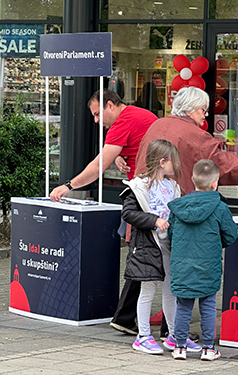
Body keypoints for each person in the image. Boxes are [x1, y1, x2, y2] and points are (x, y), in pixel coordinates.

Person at [114, 86, 238, 337]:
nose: (205, 116)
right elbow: (221, 164)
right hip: (175, 211)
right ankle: (172, 333)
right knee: (174, 275)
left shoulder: (157, 126)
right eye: (203, 110)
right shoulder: (193, 134)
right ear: (191, 109)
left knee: (146, 270)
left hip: (147, 210)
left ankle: (135, 322)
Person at [50, 89, 158, 336]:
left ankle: (126, 316)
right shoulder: (138, 115)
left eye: (99, 114)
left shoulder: (122, 122)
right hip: (151, 191)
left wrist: (68, 185)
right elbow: (141, 147)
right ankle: (129, 315)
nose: (97, 121)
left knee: (140, 253)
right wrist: (124, 156)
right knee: (143, 251)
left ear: (111, 105)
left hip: (144, 194)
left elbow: (99, 165)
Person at [121, 139, 201, 355]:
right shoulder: (138, 186)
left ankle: (174, 336)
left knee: (170, 291)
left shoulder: (172, 186)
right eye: (173, 160)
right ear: (162, 161)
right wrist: (154, 220)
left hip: (168, 245)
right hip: (148, 245)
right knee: (147, 290)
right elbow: (128, 213)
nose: (176, 165)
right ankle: (143, 336)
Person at [168, 159, 238, 360]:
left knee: (183, 306)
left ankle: (179, 347)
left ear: (192, 180)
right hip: (209, 265)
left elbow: (172, 234)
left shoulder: (179, 207)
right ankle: (208, 348)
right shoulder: (220, 207)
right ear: (215, 183)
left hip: (182, 265)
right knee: (208, 306)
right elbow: (231, 235)